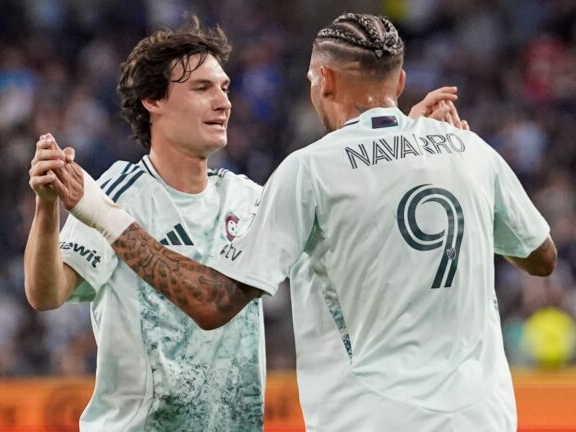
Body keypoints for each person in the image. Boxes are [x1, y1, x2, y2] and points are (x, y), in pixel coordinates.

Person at [24, 16, 464, 432]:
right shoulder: (116, 193)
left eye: (224, 88)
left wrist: (401, 137)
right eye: (202, 88)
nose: (223, 102)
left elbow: (347, 199)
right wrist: (47, 208)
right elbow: (46, 294)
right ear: (153, 101)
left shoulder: (250, 197)